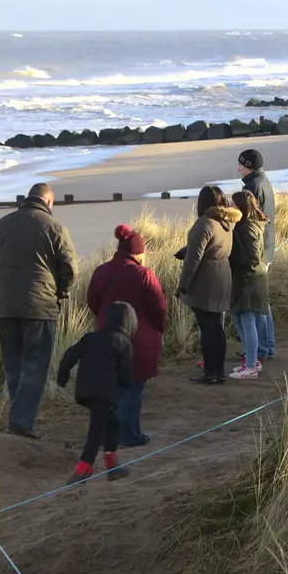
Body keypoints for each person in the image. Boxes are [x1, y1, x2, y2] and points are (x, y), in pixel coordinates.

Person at [0, 183, 78, 439]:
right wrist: (60, 291)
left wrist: (2, 287)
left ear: (27, 199)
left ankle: (19, 420)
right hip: (40, 307)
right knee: (35, 366)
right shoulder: (54, 227)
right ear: (49, 202)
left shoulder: (1, 225)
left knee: (14, 365)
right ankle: (21, 423)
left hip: (6, 307)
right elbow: (71, 269)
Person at [86, 225, 167, 447]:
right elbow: (159, 306)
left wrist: (104, 317)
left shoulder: (102, 271)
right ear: (139, 253)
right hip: (139, 339)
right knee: (133, 387)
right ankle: (130, 434)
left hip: (108, 335)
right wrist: (159, 327)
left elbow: (93, 301)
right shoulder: (144, 274)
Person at [57, 301, 136, 484]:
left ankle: (113, 466)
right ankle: (82, 470)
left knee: (112, 424)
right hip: (106, 394)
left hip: (86, 391)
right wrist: (125, 383)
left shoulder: (90, 338)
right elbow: (126, 374)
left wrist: (63, 376)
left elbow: (70, 355)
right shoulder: (124, 342)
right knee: (96, 431)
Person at [177, 186, 240, 385]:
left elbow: (194, 258)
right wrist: (186, 250)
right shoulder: (227, 222)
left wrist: (183, 284)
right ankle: (218, 371)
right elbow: (210, 245)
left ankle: (210, 373)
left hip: (206, 279)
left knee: (207, 327)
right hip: (223, 275)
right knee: (216, 325)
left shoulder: (204, 223)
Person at [237, 149, 278, 362]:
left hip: (259, 250)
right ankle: (267, 345)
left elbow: (252, 222)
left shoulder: (253, 186)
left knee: (256, 304)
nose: (238, 168)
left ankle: (262, 349)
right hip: (267, 247)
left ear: (249, 166)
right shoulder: (264, 180)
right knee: (262, 301)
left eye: (241, 165)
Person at [228, 190, 270, 378]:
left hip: (250, 277)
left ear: (242, 207)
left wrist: (237, 260)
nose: (230, 207)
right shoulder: (244, 225)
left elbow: (252, 255)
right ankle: (251, 360)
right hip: (246, 276)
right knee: (238, 317)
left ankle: (251, 365)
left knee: (247, 319)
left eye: (233, 204)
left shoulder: (248, 227)